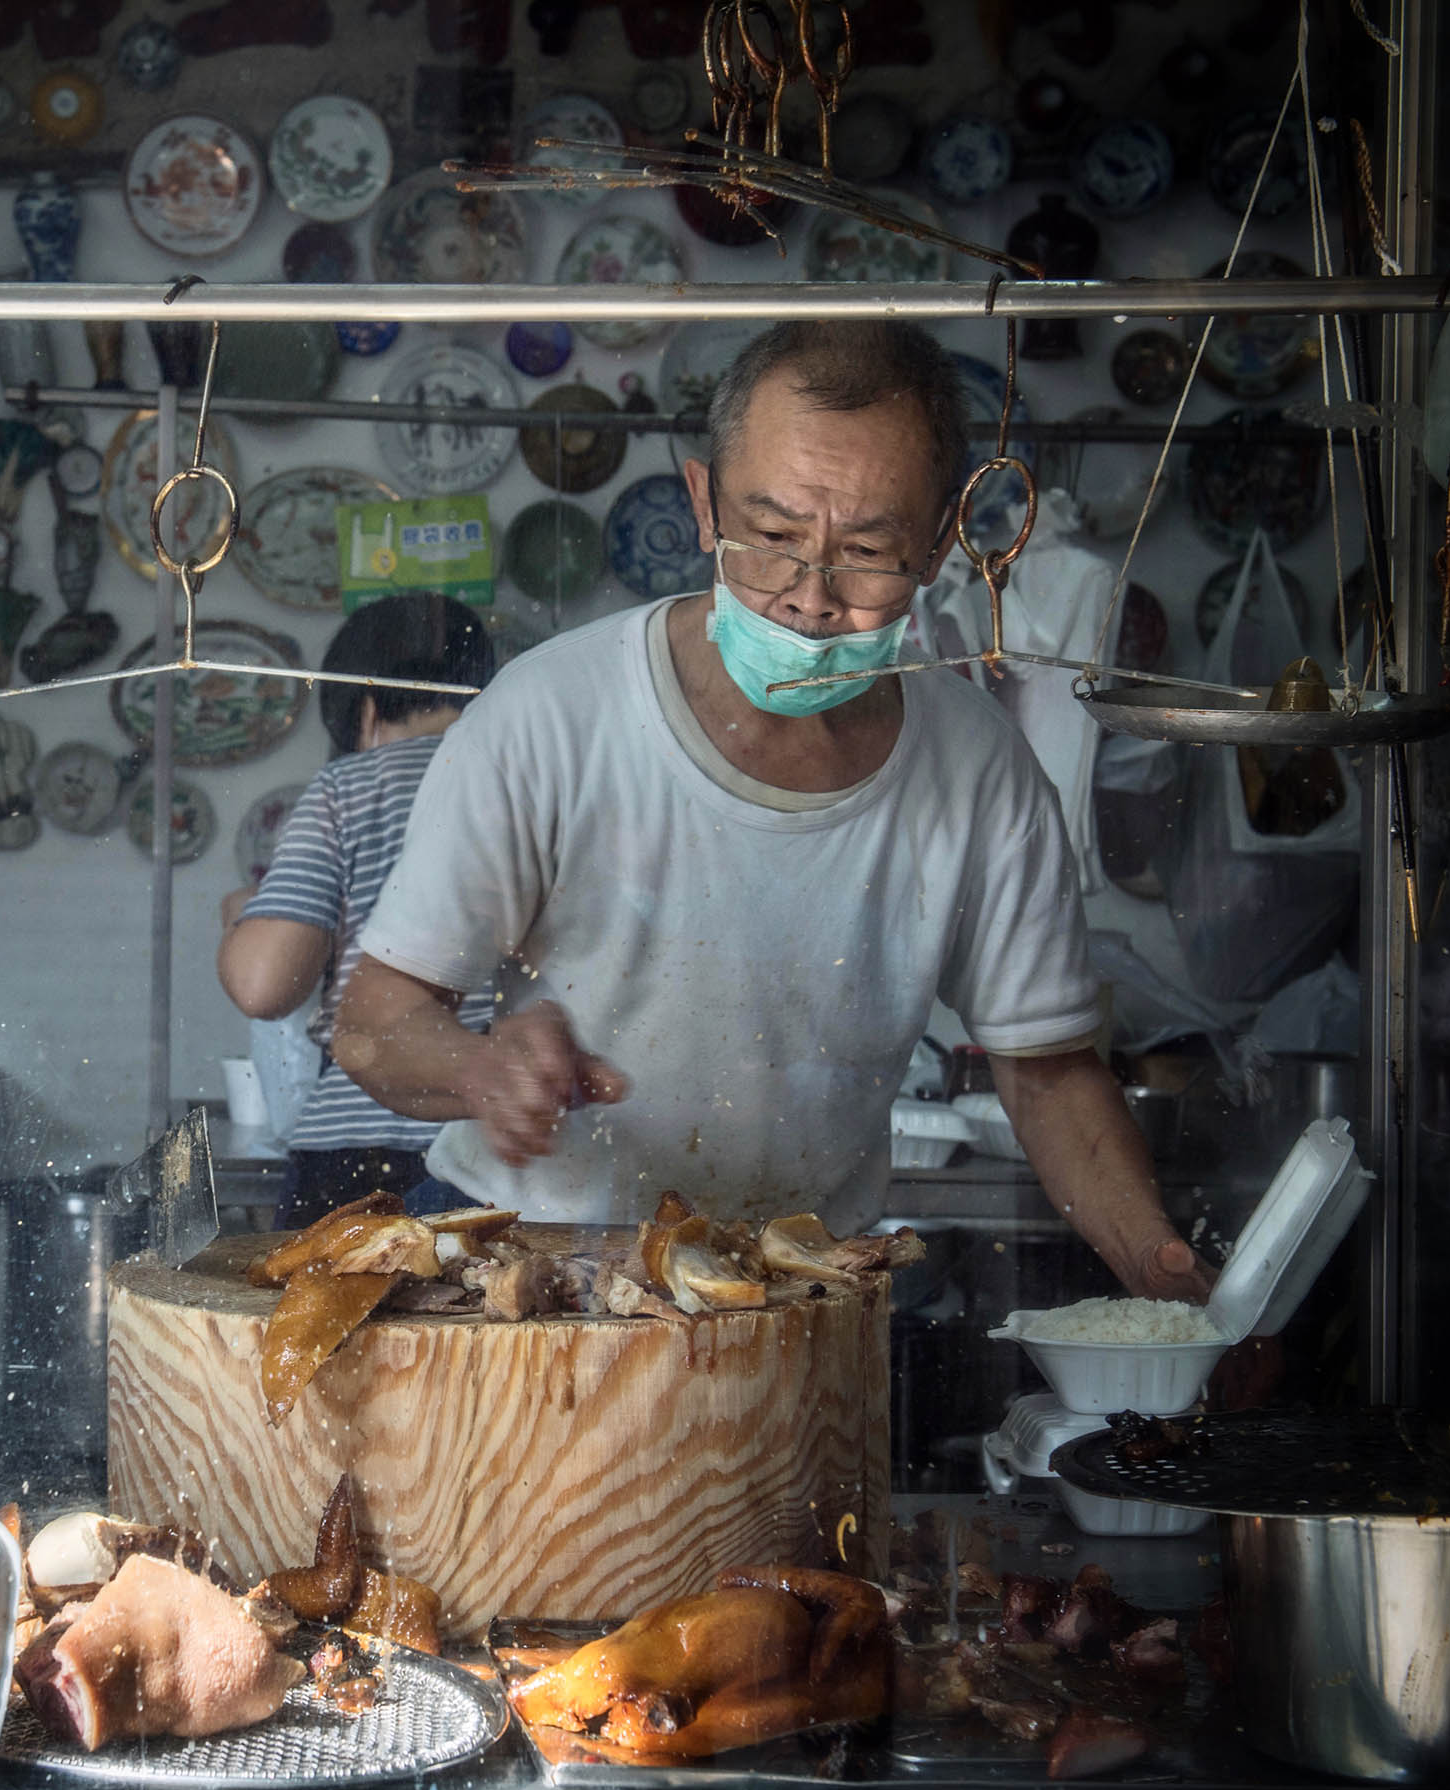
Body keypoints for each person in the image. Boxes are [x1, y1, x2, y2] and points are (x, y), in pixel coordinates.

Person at [333, 321, 1207, 1303]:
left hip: (793, 1288)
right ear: (704, 504)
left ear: (940, 538)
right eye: (776, 536)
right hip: (534, 1271)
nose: (810, 598)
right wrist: (484, 1072)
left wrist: (1156, 1267)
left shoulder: (979, 768)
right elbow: (373, 1026)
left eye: (868, 549)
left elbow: (1050, 1076)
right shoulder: (550, 714)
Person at [216, 594, 497, 1227]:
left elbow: (265, 986)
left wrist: (241, 915)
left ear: (362, 713)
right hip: (495, 1141)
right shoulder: (523, 779)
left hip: (356, 1148)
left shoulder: (350, 788)